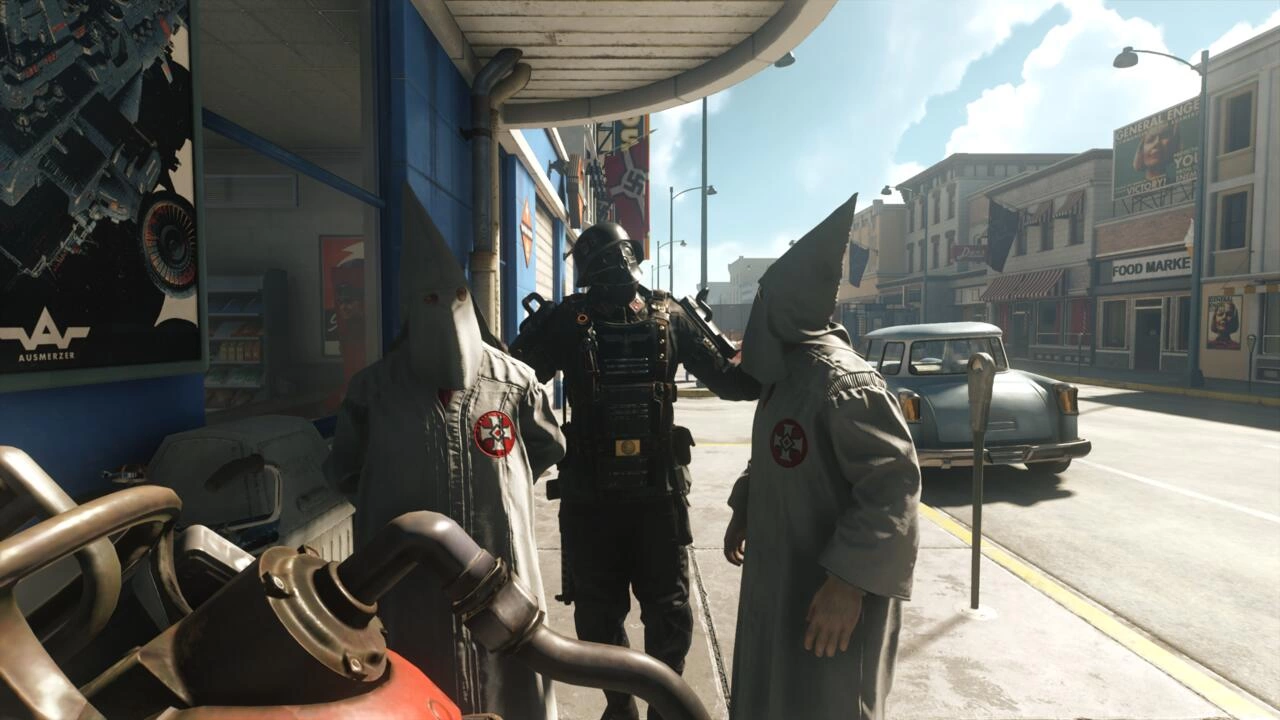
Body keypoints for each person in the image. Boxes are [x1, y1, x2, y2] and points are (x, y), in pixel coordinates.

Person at [324, 184, 565, 719]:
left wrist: (499, 493)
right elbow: (347, 471)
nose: (447, 313)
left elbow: (547, 447)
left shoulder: (515, 384)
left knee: (514, 684)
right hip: (409, 594)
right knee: (416, 686)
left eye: (457, 297)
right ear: (413, 309)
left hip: (503, 582)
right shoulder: (373, 392)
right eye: (432, 301)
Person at [511, 222, 759, 720]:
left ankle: (642, 707)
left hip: (638, 496)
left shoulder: (644, 316)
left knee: (650, 611)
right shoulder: (590, 319)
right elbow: (512, 377)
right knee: (616, 613)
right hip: (611, 497)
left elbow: (510, 377)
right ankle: (627, 706)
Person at [722, 193, 921, 720]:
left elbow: (893, 488)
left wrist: (849, 583)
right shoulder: (789, 376)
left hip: (828, 596)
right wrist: (746, 505)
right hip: (783, 578)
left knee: (828, 701)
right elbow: (773, 459)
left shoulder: (846, 384)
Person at [1132, 121, 1180, 186]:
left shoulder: (1181, 185)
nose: (1157, 143)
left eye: (1164, 136)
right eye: (1150, 140)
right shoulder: (1135, 191)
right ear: (1141, 150)